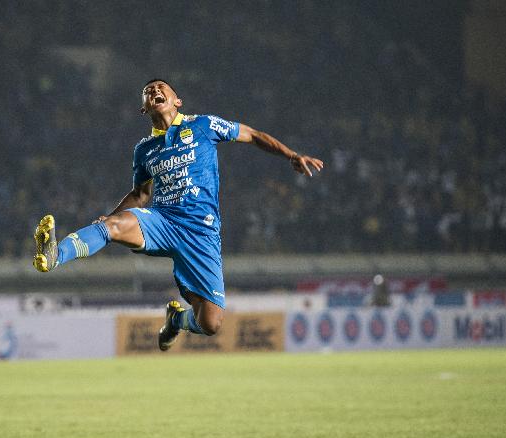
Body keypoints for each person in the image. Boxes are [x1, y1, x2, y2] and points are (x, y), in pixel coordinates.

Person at [33, 79, 323, 350]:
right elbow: (141, 195)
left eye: (161, 88)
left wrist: (292, 155)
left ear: (177, 101)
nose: (155, 90)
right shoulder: (144, 150)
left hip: (201, 234)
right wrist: (110, 218)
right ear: (143, 108)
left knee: (211, 323)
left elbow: (252, 135)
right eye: (148, 91)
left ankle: (176, 320)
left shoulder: (204, 125)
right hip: (163, 222)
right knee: (114, 227)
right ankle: (55, 255)